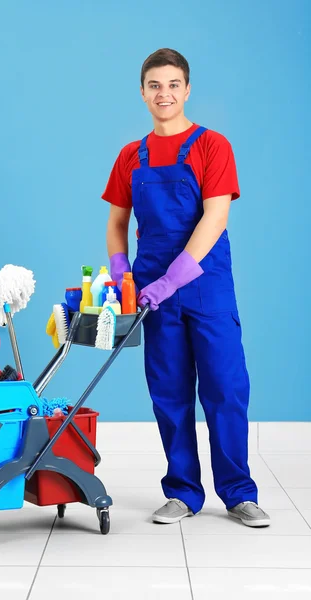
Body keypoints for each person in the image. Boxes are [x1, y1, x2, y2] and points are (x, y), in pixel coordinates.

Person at [102, 48, 270, 528]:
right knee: (169, 391)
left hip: (205, 286)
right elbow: (117, 223)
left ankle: (238, 492)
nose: (164, 94)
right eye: (155, 85)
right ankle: (182, 491)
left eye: (173, 84)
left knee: (226, 387)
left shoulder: (212, 146)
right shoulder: (129, 156)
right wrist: (121, 273)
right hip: (153, 291)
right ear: (142, 91)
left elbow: (216, 215)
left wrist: (173, 279)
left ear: (187, 89)